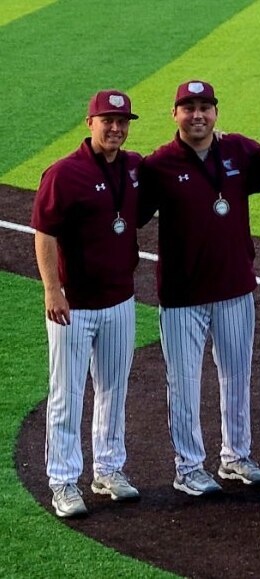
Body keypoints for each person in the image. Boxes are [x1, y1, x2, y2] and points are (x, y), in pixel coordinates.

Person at [138, 80, 260, 495]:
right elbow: (126, 214)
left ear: (216, 111)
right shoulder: (158, 166)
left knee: (237, 375)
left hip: (234, 288)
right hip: (181, 296)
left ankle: (236, 457)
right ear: (174, 114)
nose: (197, 115)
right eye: (188, 107)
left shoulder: (239, 151)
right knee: (184, 381)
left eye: (205, 107)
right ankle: (189, 466)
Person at [33, 90, 143, 517]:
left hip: (120, 300)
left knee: (114, 390)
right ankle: (62, 481)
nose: (115, 127)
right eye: (107, 120)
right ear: (89, 122)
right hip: (73, 306)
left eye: (122, 120)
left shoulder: (134, 167)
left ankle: (108, 470)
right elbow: (44, 232)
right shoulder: (64, 173)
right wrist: (52, 288)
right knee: (67, 394)